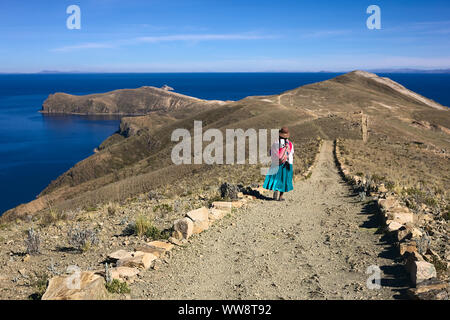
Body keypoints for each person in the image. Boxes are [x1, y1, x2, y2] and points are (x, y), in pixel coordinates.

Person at [263, 127, 294, 201]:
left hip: (276, 163)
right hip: (286, 164)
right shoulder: (290, 144)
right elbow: (291, 154)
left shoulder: (276, 143)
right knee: (284, 179)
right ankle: (281, 196)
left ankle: (276, 190)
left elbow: (271, 153)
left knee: (276, 178)